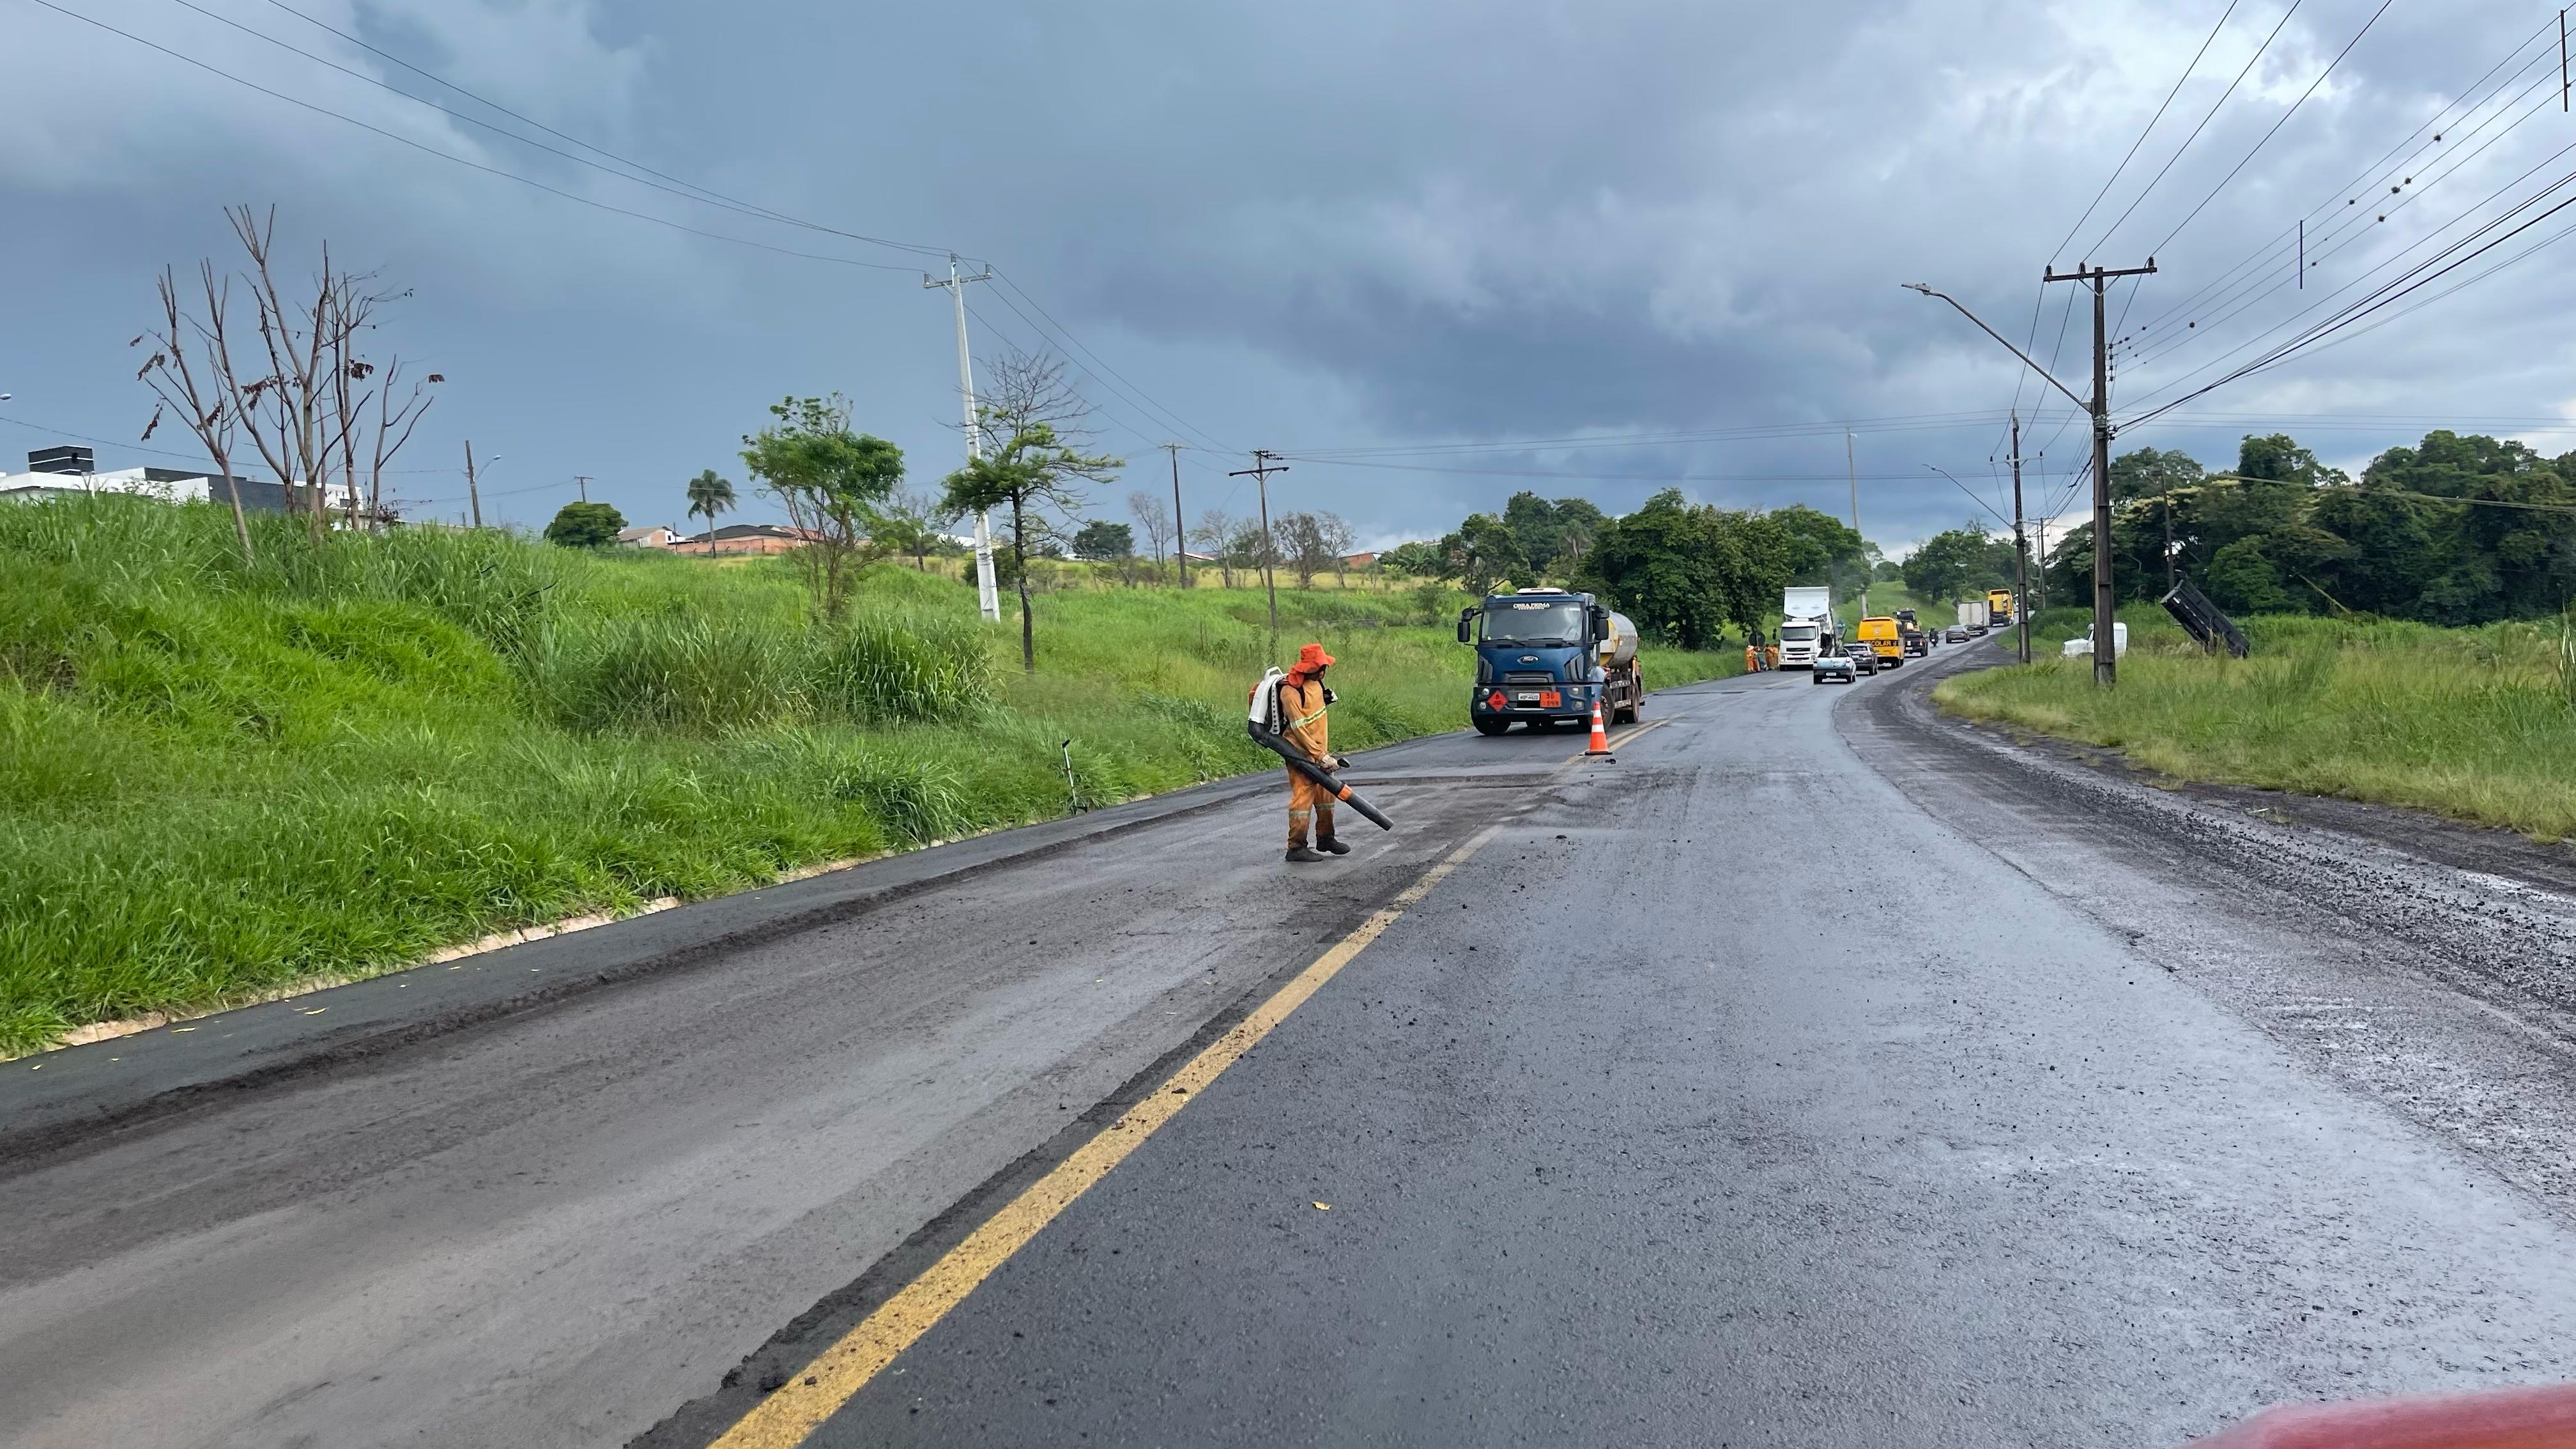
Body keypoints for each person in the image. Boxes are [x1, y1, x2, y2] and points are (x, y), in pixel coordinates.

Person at [1275, 641, 1349, 864]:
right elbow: (1299, 728)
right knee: (1303, 799)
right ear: (1311, 668)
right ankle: (1296, 847)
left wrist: (1326, 699)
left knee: (1326, 797)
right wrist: (1319, 755)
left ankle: (1326, 838)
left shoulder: (1316, 684)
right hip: (1301, 755)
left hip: (1319, 753)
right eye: (1322, 666)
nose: (1324, 670)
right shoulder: (1290, 691)